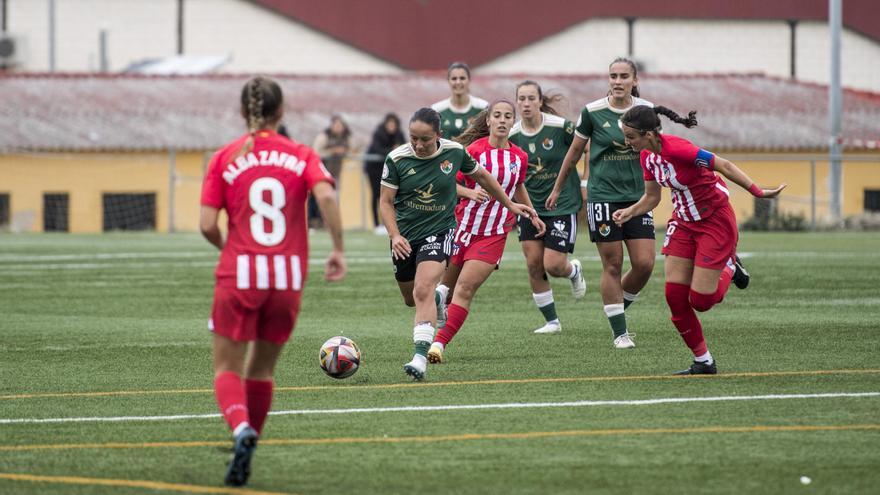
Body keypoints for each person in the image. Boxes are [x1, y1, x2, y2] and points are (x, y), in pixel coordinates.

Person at [200, 76, 347, 486]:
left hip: (239, 273)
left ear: (243, 112)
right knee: (261, 371)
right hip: (286, 278)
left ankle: (240, 430)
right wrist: (338, 249)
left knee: (226, 368)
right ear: (281, 112)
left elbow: (206, 224)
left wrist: (230, 248)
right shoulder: (300, 154)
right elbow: (329, 198)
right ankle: (250, 443)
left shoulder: (225, 157)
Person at [612, 104, 785, 374]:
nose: (627, 142)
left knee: (701, 302)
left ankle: (731, 266)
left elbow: (723, 165)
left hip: (714, 220)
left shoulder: (679, 149)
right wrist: (629, 212)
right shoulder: (646, 156)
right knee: (674, 296)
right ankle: (704, 361)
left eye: (630, 137)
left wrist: (758, 192)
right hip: (683, 222)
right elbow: (652, 198)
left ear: (648, 134)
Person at [380, 107, 538, 381]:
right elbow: (385, 202)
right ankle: (438, 304)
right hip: (406, 236)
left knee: (424, 290)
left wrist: (510, 204)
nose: (418, 144)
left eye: (425, 139)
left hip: (441, 232)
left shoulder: (454, 152)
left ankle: (420, 357)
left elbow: (484, 177)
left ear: (438, 135)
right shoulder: (396, 159)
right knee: (410, 299)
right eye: (413, 138)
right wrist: (395, 235)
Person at [547, 57, 655, 349]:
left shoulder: (646, 112)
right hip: (603, 198)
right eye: (613, 76)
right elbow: (574, 154)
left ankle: (616, 306)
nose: (617, 81)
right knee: (613, 263)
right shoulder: (593, 112)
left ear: (634, 80)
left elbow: (658, 151)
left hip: (638, 197)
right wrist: (559, 189)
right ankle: (620, 332)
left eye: (623, 76)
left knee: (645, 264)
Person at [428, 99, 547, 363]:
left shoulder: (520, 157)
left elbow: (517, 186)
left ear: (512, 122)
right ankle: (428, 335)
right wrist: (469, 192)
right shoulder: (473, 151)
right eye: (498, 115)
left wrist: (531, 212)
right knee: (441, 293)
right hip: (460, 230)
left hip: (493, 234)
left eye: (508, 116)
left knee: (465, 289)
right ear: (489, 120)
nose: (503, 120)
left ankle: (438, 345)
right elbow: (446, 184)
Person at [509, 81, 586, 335]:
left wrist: (585, 180)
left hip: (562, 203)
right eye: (522, 99)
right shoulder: (512, 135)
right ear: (517, 102)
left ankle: (573, 270)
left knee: (553, 264)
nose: (526, 103)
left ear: (540, 101)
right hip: (530, 207)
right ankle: (552, 321)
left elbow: (583, 148)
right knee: (534, 263)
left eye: (531, 98)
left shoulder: (560, 127)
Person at [364, 113, 406, 235]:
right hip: (375, 169)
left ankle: (388, 223)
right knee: (376, 195)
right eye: (390, 123)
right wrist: (392, 150)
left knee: (392, 196)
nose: (392, 126)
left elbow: (404, 147)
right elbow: (377, 149)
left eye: (394, 124)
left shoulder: (399, 134)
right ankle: (376, 224)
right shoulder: (379, 133)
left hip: (392, 170)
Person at [310, 115, 352, 229]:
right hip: (322, 173)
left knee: (335, 198)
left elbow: (351, 151)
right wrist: (332, 151)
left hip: (336, 173)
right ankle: (319, 223)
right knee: (323, 198)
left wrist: (344, 152)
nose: (338, 128)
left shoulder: (345, 137)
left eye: (340, 125)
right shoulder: (324, 137)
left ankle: (332, 224)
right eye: (336, 125)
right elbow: (316, 153)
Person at [431, 61, 489, 141]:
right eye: (454, 79)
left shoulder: (483, 107)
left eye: (462, 78)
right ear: (448, 81)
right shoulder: (437, 109)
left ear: (469, 80)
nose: (458, 82)